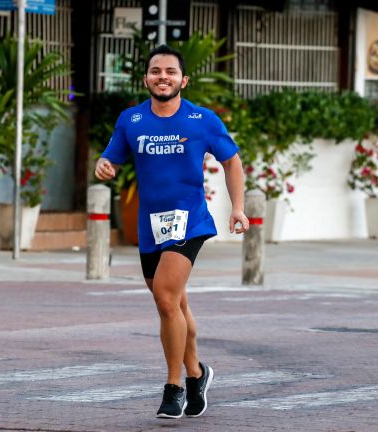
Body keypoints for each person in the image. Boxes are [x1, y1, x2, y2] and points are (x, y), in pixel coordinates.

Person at [94, 44, 249, 419]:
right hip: (150, 226)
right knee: (174, 304)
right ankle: (198, 372)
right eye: (156, 71)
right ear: (146, 78)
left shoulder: (202, 119)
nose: (163, 76)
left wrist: (238, 209)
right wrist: (103, 164)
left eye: (170, 71)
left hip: (190, 221)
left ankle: (174, 386)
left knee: (165, 298)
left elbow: (232, 162)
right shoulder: (131, 120)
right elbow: (111, 155)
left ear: (183, 79)